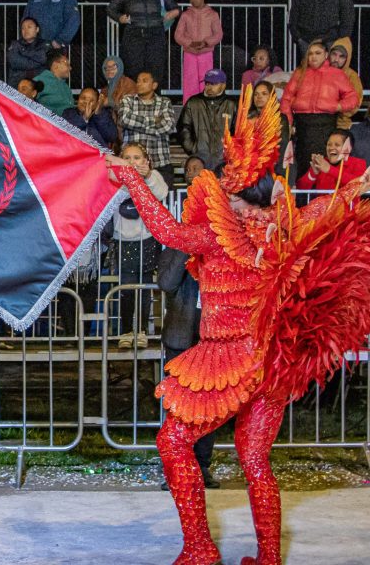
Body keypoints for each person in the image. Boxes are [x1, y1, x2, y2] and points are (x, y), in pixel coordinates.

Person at [109, 87, 370, 565]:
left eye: (228, 180)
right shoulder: (282, 229)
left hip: (228, 358)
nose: (221, 185)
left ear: (237, 189)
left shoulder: (218, 235)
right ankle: (268, 557)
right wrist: (351, 191)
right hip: (269, 362)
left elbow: (168, 233)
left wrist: (134, 182)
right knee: (253, 459)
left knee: (172, 441)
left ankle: (200, 548)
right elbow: (323, 211)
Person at [156, 160, 218, 491]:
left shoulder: (223, 242)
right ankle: (176, 470)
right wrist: (185, 244)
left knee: (207, 409)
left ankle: (203, 466)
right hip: (181, 336)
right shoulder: (176, 238)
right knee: (179, 409)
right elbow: (166, 283)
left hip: (211, 339)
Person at [108, 142, 168, 349]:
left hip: (147, 240)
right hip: (122, 241)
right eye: (127, 158)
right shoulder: (114, 177)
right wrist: (128, 176)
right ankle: (126, 331)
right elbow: (115, 194)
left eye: (137, 158)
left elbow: (160, 193)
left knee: (143, 288)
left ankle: (141, 331)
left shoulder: (154, 177)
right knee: (125, 289)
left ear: (146, 160)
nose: (132, 162)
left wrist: (147, 176)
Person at [280, 40, 359, 181]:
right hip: (302, 125)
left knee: (324, 164)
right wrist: (288, 122)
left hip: (326, 124)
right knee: (303, 162)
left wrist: (337, 106)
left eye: (318, 53)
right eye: (310, 53)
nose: (313, 57)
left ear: (326, 55)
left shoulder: (337, 74)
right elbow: (286, 98)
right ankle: (303, 199)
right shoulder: (300, 73)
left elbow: (353, 98)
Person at [108, 0, 179, 85]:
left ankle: (155, 100)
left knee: (156, 70)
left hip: (156, 35)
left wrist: (173, 13)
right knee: (132, 70)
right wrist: (120, 18)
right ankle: (133, 101)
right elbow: (110, 9)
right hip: (133, 35)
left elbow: (176, 8)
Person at [119, 71, 174, 184]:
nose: (139, 84)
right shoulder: (127, 100)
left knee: (161, 200)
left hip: (159, 163)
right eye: (138, 81)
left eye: (144, 81)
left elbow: (168, 126)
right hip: (132, 165)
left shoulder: (165, 102)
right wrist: (154, 120)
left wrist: (137, 125)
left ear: (154, 85)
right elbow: (125, 119)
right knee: (132, 201)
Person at [177, 69, 236, 169]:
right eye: (207, 83)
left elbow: (238, 132)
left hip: (225, 162)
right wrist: (194, 150)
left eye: (213, 84)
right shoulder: (193, 102)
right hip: (199, 161)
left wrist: (229, 152)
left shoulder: (232, 104)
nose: (209, 87)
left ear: (223, 85)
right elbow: (183, 128)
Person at [289, 0, 354, 55]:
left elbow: (348, 19)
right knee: (309, 69)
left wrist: (340, 38)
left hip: (333, 40)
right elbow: (293, 19)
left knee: (331, 68)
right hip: (306, 41)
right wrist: (299, 39)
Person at [174, 0, 222, 102]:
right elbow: (177, 35)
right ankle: (189, 106)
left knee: (207, 80)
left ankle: (205, 106)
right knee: (189, 82)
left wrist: (206, 43)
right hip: (189, 53)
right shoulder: (185, 15)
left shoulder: (213, 14)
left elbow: (218, 34)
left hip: (206, 53)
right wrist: (189, 43)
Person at [296, 129, 369, 191]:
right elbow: (300, 188)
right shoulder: (322, 163)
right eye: (329, 144)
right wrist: (313, 173)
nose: (331, 148)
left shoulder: (358, 163)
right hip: (324, 207)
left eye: (337, 145)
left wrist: (329, 170)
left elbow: (359, 184)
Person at [246, 81, 289, 177]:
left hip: (275, 167)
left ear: (272, 97)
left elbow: (282, 146)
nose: (259, 97)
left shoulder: (280, 118)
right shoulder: (247, 118)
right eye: (256, 94)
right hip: (251, 167)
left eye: (264, 94)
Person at [327, 38, 363, 130]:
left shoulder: (352, 76)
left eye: (341, 57)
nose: (336, 59)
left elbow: (356, 102)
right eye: (334, 54)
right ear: (329, 54)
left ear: (347, 58)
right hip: (321, 121)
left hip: (341, 123)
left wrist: (338, 110)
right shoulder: (321, 72)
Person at [6, 17, 49, 86]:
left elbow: (42, 58)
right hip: (18, 85)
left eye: (29, 27)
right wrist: (36, 60)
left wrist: (23, 52)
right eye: (23, 28)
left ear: (37, 29)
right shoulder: (15, 44)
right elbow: (15, 62)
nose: (26, 30)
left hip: (39, 85)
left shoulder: (44, 45)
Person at [33, 50, 73, 116]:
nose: (70, 68)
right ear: (55, 65)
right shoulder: (39, 81)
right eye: (67, 64)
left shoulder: (65, 86)